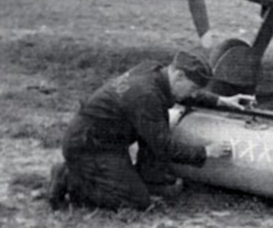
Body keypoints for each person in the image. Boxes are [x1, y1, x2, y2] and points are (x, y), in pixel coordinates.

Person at [48, 48, 254, 211]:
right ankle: (68, 178)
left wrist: (221, 101)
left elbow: (184, 95)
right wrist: (206, 152)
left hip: (107, 140)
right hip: (90, 147)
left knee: (157, 122)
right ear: (179, 75)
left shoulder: (156, 72)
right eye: (193, 88)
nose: (193, 94)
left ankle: (149, 178)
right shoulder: (146, 95)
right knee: (135, 202)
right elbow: (164, 146)